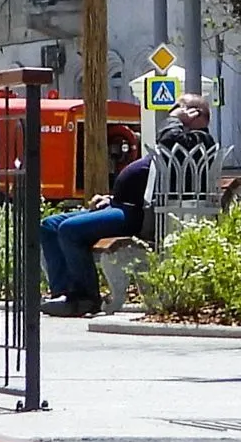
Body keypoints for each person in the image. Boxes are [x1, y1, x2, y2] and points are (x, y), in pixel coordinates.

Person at [40, 133, 156, 318]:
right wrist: (110, 198)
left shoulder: (184, 140)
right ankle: (64, 293)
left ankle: (86, 298)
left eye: (182, 108)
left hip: (135, 212)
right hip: (118, 204)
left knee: (70, 229)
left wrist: (179, 117)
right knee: (49, 225)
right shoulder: (170, 139)